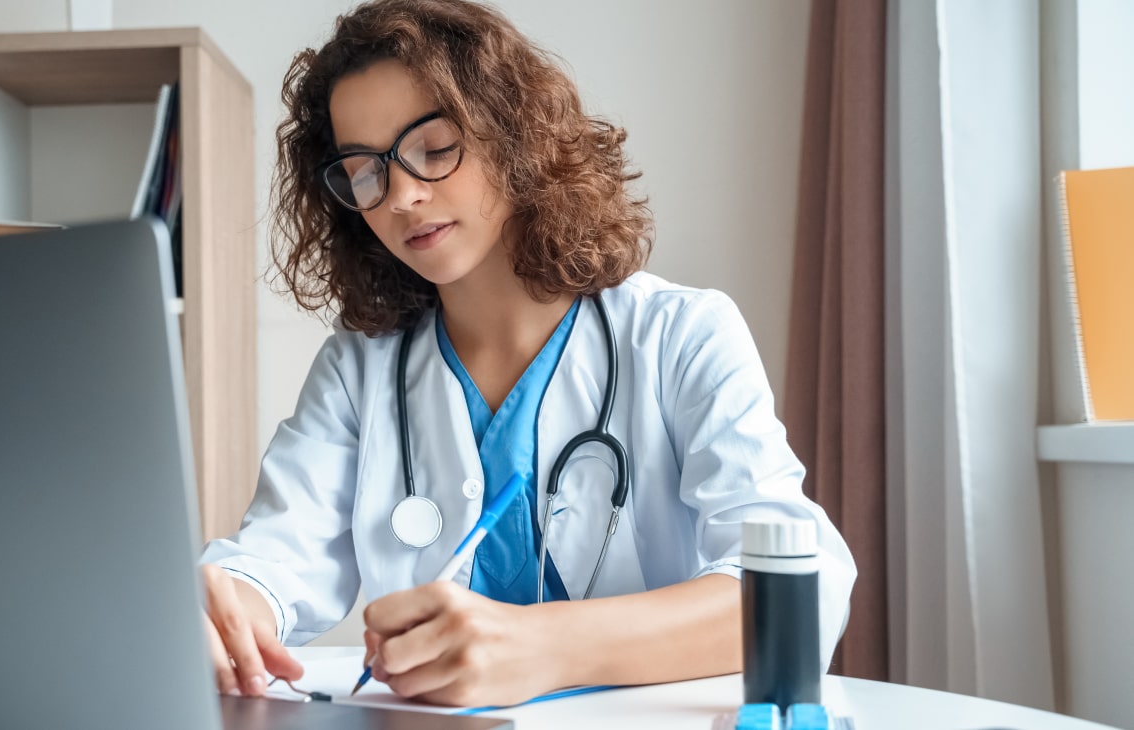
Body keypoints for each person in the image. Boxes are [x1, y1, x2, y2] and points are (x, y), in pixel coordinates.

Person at [199, 0, 855, 708]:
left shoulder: (680, 336)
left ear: (510, 134)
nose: (402, 196)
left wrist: (543, 645)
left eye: (435, 146)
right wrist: (228, 608)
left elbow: (801, 588)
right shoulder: (359, 369)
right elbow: (273, 558)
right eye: (365, 171)